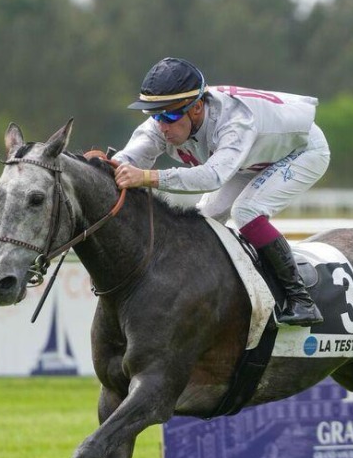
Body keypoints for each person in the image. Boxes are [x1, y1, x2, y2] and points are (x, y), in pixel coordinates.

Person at [113, 57, 328, 325]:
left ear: (197, 107)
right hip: (248, 160)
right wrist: (103, 166)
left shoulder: (236, 121)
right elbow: (129, 159)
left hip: (302, 151)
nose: (162, 125)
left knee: (246, 212)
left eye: (168, 115)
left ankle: (300, 299)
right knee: (204, 221)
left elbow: (213, 176)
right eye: (154, 115)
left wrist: (147, 178)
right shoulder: (161, 126)